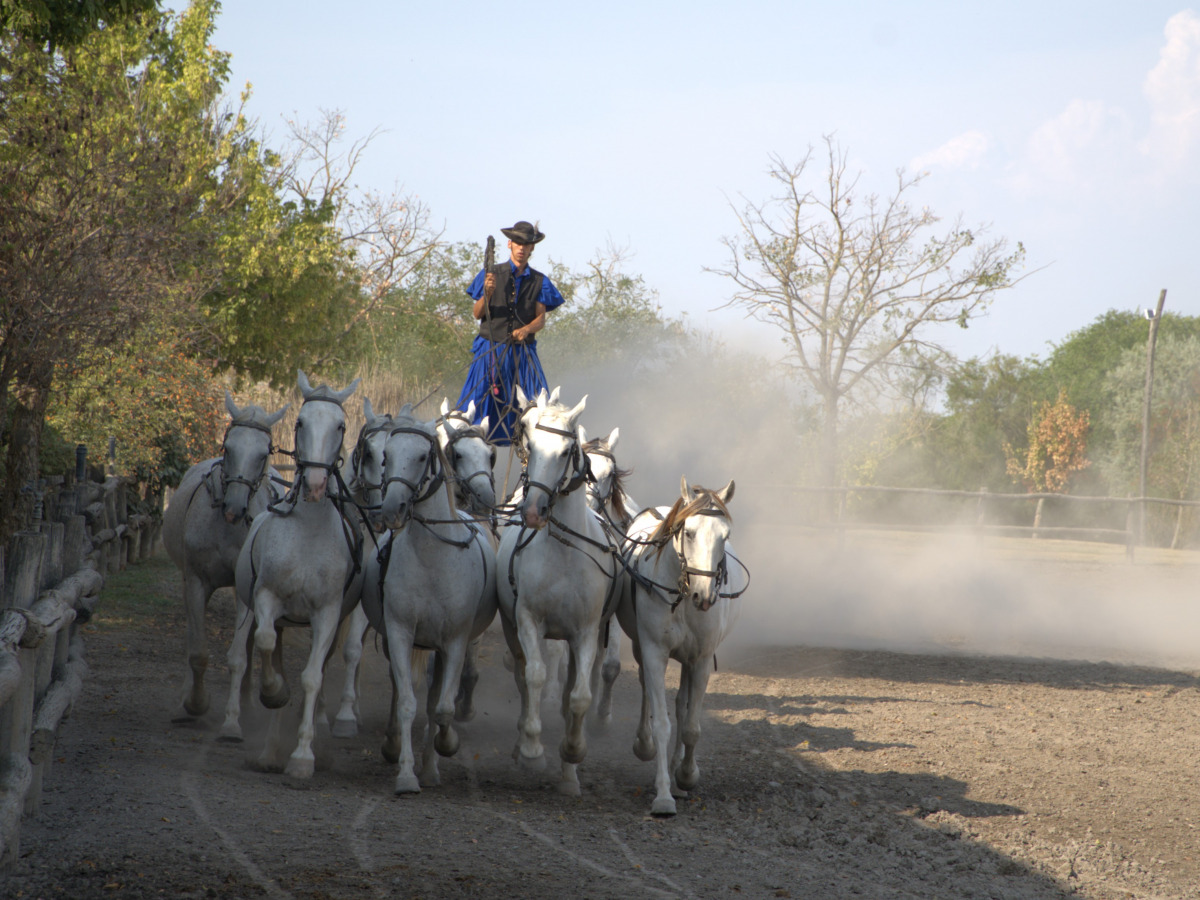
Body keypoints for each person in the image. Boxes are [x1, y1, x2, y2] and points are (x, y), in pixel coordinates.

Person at [456, 220, 565, 445]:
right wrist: (487, 292)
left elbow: (540, 319)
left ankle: (545, 449)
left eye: (526, 244)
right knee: (473, 404)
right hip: (490, 348)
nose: (521, 248)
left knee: (539, 402)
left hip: (523, 352)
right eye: (518, 243)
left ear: (532, 248)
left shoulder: (539, 281)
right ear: (510, 244)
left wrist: (526, 329)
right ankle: (462, 445)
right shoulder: (491, 273)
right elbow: (477, 313)